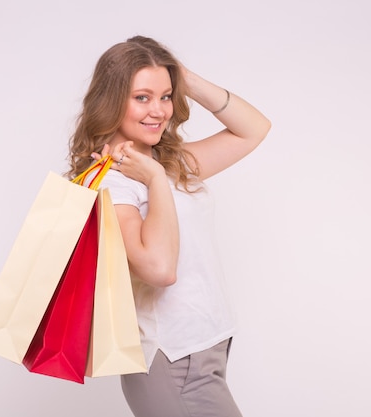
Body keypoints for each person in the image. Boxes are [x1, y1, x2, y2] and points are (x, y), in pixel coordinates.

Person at [67, 36, 271, 417]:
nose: (159, 110)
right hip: (173, 359)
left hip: (204, 349)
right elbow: (159, 270)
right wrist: (156, 180)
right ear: (111, 101)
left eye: (165, 96)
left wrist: (183, 77)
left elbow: (253, 129)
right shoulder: (113, 183)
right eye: (142, 97)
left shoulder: (168, 162)